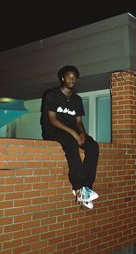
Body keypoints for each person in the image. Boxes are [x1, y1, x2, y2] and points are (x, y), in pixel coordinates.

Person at [40, 65, 99, 209]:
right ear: (62, 78)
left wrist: (82, 134)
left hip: (71, 130)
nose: (72, 79)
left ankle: (86, 188)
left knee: (93, 146)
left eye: (74, 77)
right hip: (52, 130)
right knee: (71, 143)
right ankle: (79, 186)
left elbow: (78, 122)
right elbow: (52, 119)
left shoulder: (77, 99)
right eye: (69, 77)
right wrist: (74, 134)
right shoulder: (52, 95)